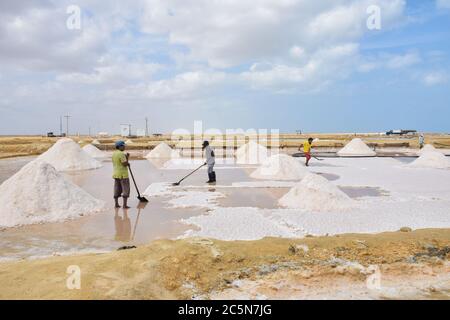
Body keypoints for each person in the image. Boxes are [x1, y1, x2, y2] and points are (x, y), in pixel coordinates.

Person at [112, 140, 130, 208]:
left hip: (116, 174)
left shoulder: (114, 154)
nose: (124, 147)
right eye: (123, 146)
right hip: (123, 175)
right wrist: (127, 159)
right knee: (126, 189)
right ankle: (124, 205)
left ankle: (116, 204)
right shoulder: (121, 154)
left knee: (117, 188)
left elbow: (118, 163)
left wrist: (126, 158)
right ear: (119, 146)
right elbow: (124, 164)